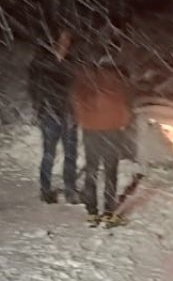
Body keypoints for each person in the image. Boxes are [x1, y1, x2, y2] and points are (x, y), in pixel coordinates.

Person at [71, 51, 132, 227]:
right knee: (110, 170)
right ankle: (108, 213)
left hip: (91, 128)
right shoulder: (119, 79)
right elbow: (126, 104)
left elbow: (76, 98)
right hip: (112, 129)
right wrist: (123, 122)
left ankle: (92, 212)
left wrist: (83, 119)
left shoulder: (87, 78)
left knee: (91, 169)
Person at [28, 28, 78, 204]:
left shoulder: (72, 62)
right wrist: (39, 109)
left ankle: (70, 189)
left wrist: (75, 111)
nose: (66, 44)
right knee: (49, 153)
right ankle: (45, 189)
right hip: (50, 112)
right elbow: (35, 88)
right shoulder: (43, 63)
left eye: (68, 40)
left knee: (70, 154)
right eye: (63, 40)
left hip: (68, 113)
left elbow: (78, 88)